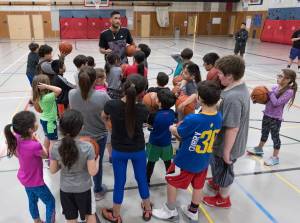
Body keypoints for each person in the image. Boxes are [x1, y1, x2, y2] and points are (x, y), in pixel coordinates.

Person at [152, 81, 222, 222]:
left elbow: (180, 134)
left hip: (185, 160)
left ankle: (170, 210)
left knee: (171, 180)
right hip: (203, 160)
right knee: (198, 186)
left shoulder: (193, 119)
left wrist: (172, 128)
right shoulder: (219, 117)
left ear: (200, 99)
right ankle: (192, 211)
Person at [101, 75, 152, 223]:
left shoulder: (111, 105)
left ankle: (116, 215)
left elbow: (103, 116)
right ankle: (147, 209)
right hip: (138, 150)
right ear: (142, 93)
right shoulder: (143, 109)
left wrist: (109, 128)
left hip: (119, 150)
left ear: (124, 87)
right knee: (142, 179)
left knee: (119, 182)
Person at [202, 55, 250, 208]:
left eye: (221, 73)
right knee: (218, 168)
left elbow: (232, 127)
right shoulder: (238, 88)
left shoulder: (233, 98)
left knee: (224, 169)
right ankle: (218, 182)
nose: (218, 75)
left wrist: (226, 152)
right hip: (226, 142)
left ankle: (223, 198)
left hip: (227, 145)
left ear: (230, 76)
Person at [4, 111, 55, 223]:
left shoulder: (16, 138)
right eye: (35, 122)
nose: (37, 122)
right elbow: (45, 155)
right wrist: (37, 140)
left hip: (25, 179)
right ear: (30, 130)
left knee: (32, 200)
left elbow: (17, 153)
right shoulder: (34, 146)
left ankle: (36, 220)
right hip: (36, 182)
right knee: (50, 201)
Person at [69, 67, 110, 201]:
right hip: (98, 136)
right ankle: (97, 190)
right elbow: (111, 109)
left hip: (79, 135)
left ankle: (80, 189)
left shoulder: (71, 94)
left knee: (80, 163)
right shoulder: (102, 96)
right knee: (96, 163)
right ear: (95, 81)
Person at [50, 109, 99, 223]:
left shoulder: (55, 147)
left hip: (66, 189)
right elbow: (92, 172)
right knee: (90, 215)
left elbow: (52, 170)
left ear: (60, 128)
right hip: (84, 189)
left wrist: (63, 162)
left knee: (71, 219)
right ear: (81, 128)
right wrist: (97, 161)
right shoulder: (87, 147)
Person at [247, 69, 297, 166]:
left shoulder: (289, 92)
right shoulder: (275, 87)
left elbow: (276, 103)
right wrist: (258, 99)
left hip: (275, 118)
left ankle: (275, 157)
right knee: (264, 132)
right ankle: (259, 148)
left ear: (288, 80)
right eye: (278, 75)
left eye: (280, 76)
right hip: (266, 114)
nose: (278, 78)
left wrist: (270, 92)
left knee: (275, 137)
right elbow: (268, 101)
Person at [146, 89, 176, 185]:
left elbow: (150, 126)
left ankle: (146, 181)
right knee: (168, 163)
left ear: (158, 102)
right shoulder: (172, 113)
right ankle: (171, 180)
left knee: (150, 163)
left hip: (154, 143)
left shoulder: (153, 115)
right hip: (166, 143)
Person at [32, 75, 62, 153]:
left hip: (44, 120)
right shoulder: (47, 97)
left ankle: (45, 153)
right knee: (53, 141)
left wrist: (46, 86)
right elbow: (59, 90)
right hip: (50, 122)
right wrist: (47, 86)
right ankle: (52, 159)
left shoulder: (38, 96)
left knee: (47, 137)